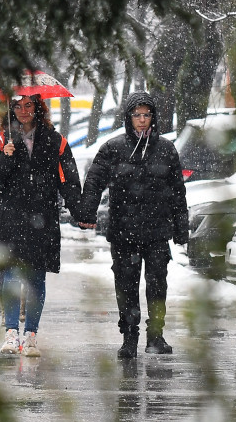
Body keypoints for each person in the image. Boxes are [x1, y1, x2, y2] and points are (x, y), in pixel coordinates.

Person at [76, 91, 189, 358]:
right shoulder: (113, 148)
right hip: (123, 230)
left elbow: (177, 191)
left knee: (157, 284)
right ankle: (129, 336)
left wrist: (181, 228)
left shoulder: (165, 149)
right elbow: (94, 182)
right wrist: (87, 213)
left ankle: (156, 335)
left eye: (146, 115)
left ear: (153, 117)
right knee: (126, 284)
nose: (141, 120)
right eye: (136, 115)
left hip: (157, 231)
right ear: (128, 117)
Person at [0, 94, 82, 357]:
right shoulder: (2, 139)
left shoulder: (55, 141)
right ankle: (11, 333)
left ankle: (31, 335)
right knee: (11, 275)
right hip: (10, 218)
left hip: (41, 220)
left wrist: (81, 211)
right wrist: (5, 157)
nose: (23, 111)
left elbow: (68, 181)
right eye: (18, 106)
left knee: (36, 277)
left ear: (38, 108)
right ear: (10, 109)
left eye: (28, 105)